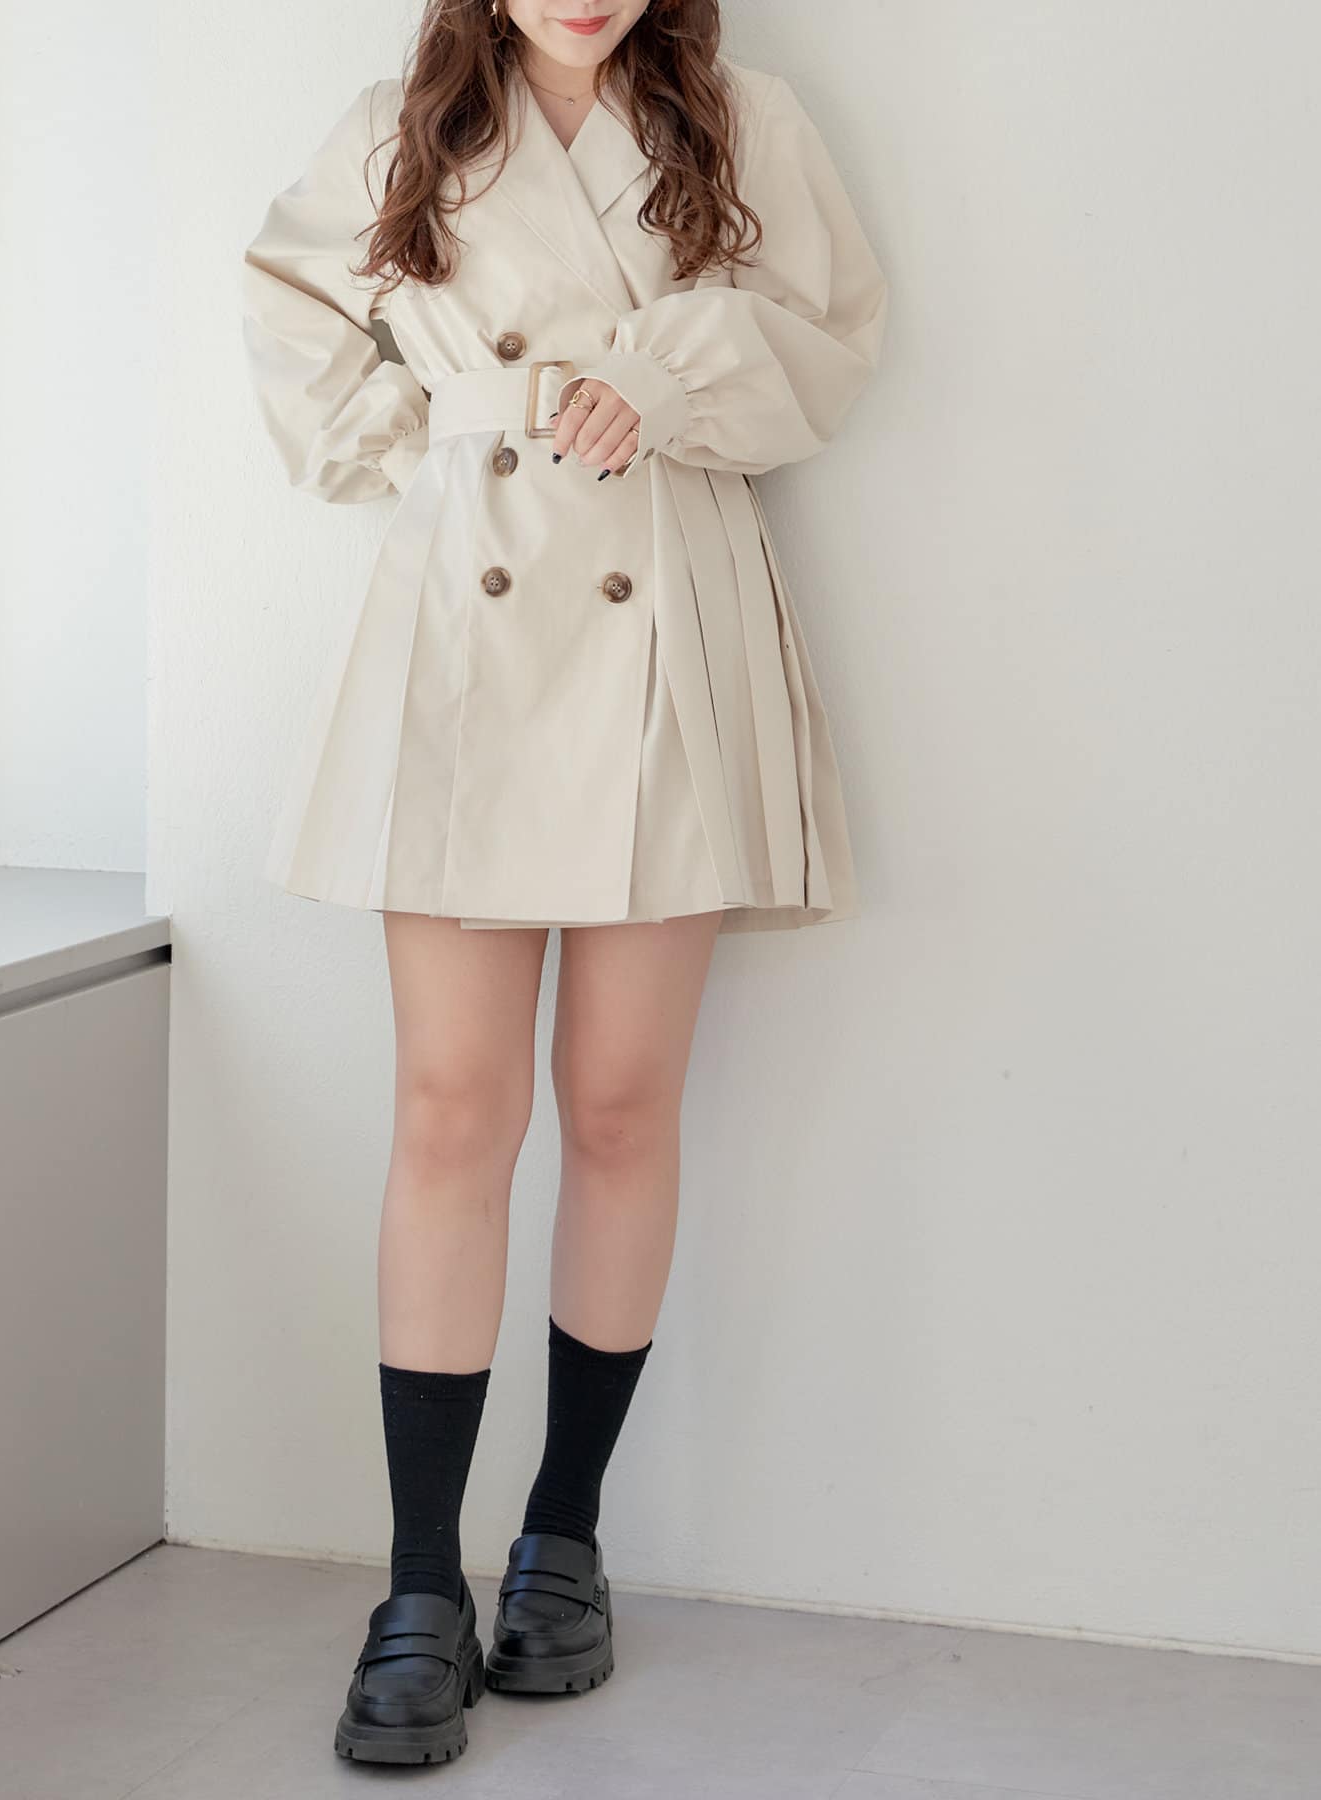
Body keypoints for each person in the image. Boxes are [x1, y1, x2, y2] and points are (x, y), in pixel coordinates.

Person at [239, 0, 888, 1767]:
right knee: (451, 1111)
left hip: (664, 620)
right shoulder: (402, 120)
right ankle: (417, 1586)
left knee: (617, 1105)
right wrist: (458, 430)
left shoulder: (744, 116)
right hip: (470, 624)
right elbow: (294, 317)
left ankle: (564, 1540)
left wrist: (667, 378)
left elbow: (831, 338)